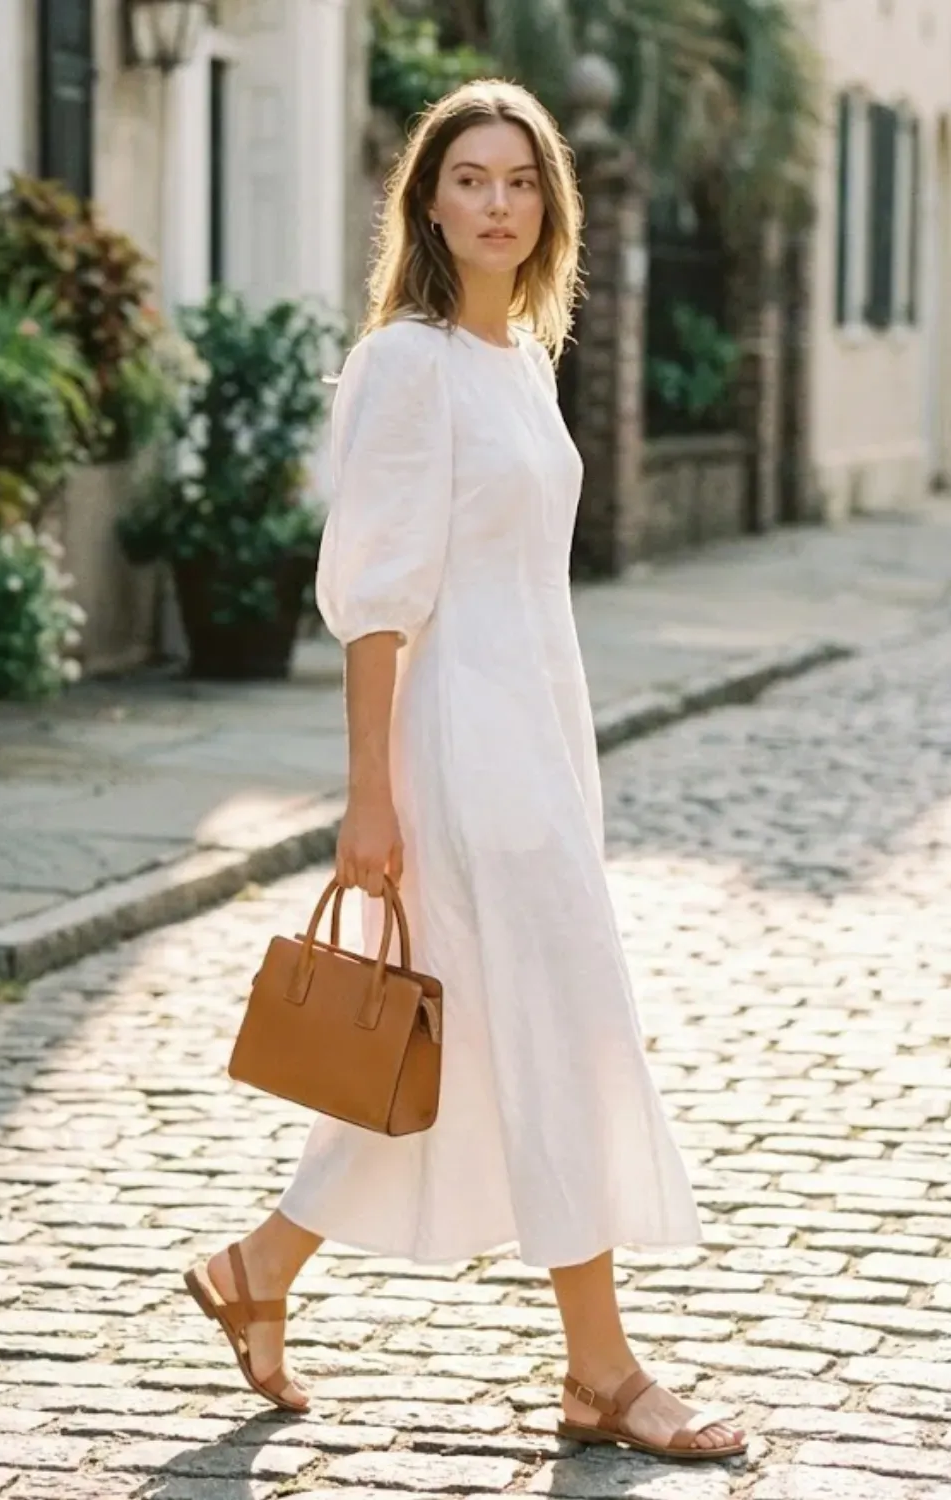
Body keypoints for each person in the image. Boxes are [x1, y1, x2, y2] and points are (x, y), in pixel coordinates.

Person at [184, 77, 747, 1463]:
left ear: (549, 203)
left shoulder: (520, 360)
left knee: (468, 1039)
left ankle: (260, 1267)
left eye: (521, 180)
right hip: (456, 748)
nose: (498, 203)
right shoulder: (410, 362)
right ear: (428, 205)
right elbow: (378, 600)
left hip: (535, 735)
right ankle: (601, 1372)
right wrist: (371, 799)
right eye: (470, 179)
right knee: (562, 1024)